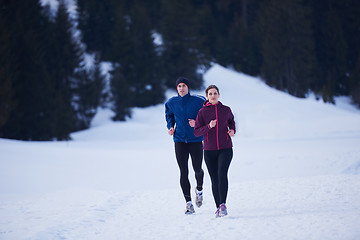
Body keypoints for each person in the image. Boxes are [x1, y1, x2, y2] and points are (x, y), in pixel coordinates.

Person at [165, 77, 206, 214]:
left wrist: (197, 123)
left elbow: (205, 116)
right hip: (179, 140)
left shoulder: (199, 101)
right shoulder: (171, 102)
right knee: (183, 171)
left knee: (197, 169)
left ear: (188, 87)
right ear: (177, 88)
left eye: (184, 86)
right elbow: (169, 116)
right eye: (179, 86)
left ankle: (199, 189)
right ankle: (188, 203)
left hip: (195, 139)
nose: (181, 88)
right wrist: (170, 126)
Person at [194, 85, 235, 218]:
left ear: (218, 95)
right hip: (209, 150)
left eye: (215, 93)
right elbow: (196, 131)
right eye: (210, 94)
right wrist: (208, 126)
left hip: (226, 148)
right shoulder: (202, 112)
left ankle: (223, 204)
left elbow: (232, 122)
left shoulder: (226, 110)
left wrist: (232, 130)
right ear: (207, 96)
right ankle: (218, 206)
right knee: (214, 178)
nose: (213, 96)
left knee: (222, 173)